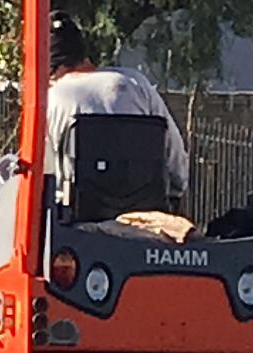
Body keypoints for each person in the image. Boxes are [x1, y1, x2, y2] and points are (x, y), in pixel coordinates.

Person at [40, 13, 189, 210]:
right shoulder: (136, 83)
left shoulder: (52, 100)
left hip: (78, 220)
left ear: (50, 68)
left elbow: (46, 175)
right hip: (146, 214)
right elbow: (175, 160)